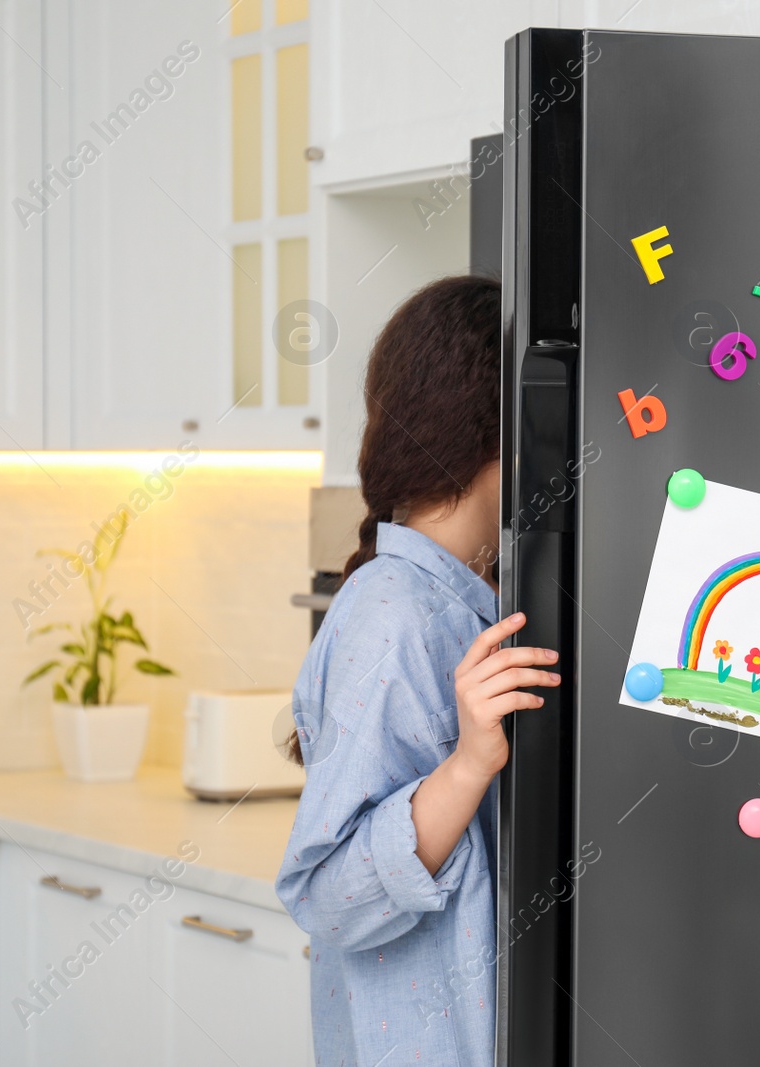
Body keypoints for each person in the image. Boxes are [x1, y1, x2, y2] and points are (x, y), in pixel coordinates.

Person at [276, 275, 559, 1066]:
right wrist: (470, 764)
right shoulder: (392, 609)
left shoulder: (480, 594)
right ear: (494, 427)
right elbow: (330, 900)